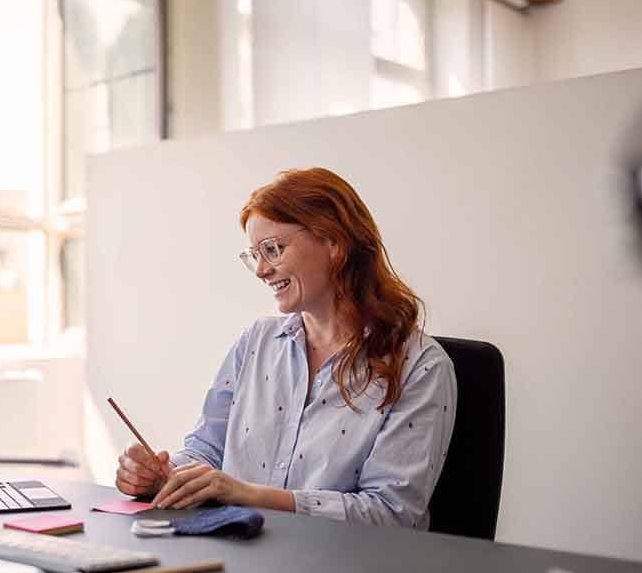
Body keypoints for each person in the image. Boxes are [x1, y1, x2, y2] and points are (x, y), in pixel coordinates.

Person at [114, 168, 457, 528]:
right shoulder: (256, 342)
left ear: (334, 242)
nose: (262, 270)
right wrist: (162, 474)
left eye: (273, 249)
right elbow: (207, 452)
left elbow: (389, 514)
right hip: (240, 556)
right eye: (254, 255)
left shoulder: (420, 366)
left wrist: (247, 495)